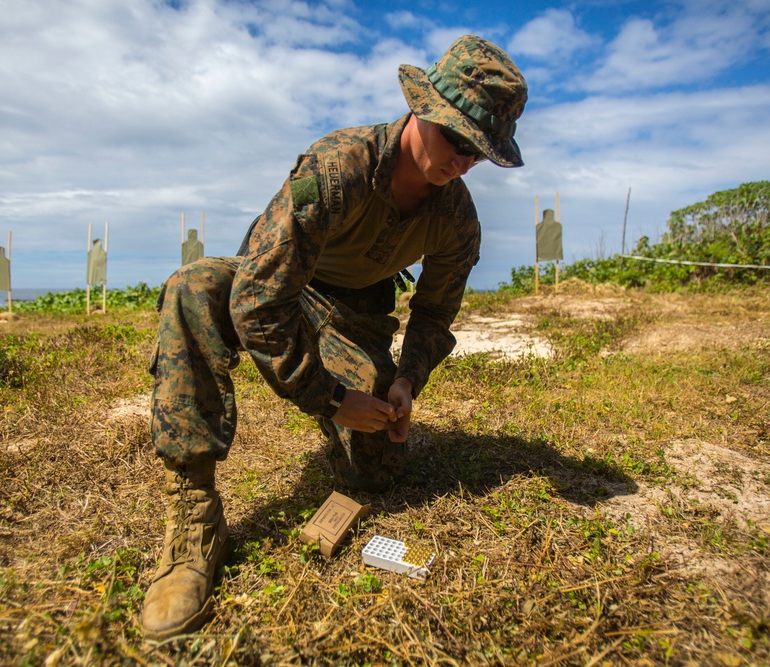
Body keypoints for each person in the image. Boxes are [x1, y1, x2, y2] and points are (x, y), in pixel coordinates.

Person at [140, 34, 528, 641]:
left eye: (476, 151)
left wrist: (403, 381)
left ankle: (352, 415)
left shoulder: (458, 219)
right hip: (281, 287)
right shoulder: (337, 165)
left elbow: (433, 315)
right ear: (422, 108)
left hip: (353, 316)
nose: (460, 161)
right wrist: (328, 397)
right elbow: (260, 300)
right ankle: (193, 522)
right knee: (191, 287)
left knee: (375, 470)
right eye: (454, 139)